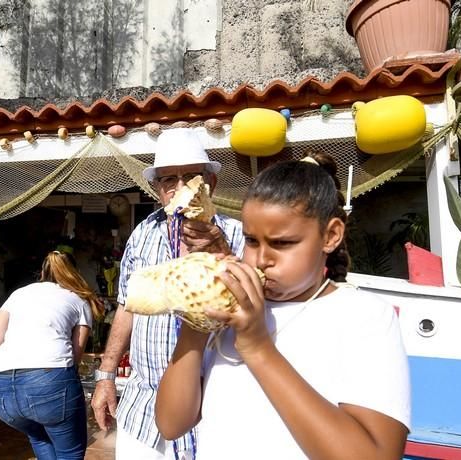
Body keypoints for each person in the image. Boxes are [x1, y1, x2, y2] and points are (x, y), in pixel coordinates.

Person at [155, 154, 411, 459]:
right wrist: (195, 326)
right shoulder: (235, 308)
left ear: (330, 236)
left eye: (283, 243)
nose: (262, 259)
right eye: (251, 241)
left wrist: (258, 347)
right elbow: (171, 425)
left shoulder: (363, 316)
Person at [90, 128, 245, 460]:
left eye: (190, 177)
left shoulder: (236, 234)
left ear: (210, 184)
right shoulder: (143, 234)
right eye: (168, 180)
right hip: (144, 410)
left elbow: (248, 304)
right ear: (157, 189)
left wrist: (218, 248)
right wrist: (105, 375)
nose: (179, 189)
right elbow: (127, 306)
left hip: (214, 410)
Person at [0, 250, 103, 460]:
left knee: (40, 438)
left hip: (1, 390)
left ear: (42, 272)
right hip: (49, 381)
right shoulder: (79, 299)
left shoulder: (19, 294)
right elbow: (75, 356)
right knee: (70, 453)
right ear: (74, 272)